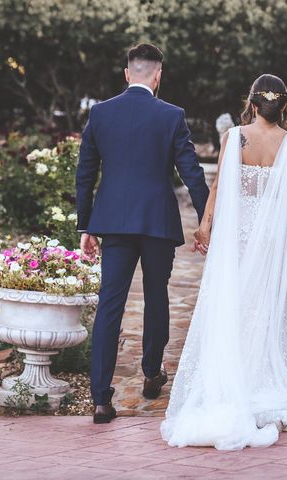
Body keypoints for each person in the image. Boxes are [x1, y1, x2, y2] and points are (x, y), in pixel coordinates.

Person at [161, 74, 287, 450]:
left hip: (237, 234)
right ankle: (261, 382)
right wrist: (276, 212)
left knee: (230, 302)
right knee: (263, 304)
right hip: (271, 240)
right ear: (283, 105)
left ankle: (227, 382)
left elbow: (218, 187)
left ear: (251, 102)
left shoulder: (234, 138)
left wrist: (204, 227)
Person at [75, 43, 209, 424]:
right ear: (158, 75)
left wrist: (86, 225)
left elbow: (85, 173)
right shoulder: (171, 115)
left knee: (109, 305)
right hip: (156, 224)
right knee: (156, 296)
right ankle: (152, 373)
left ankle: (101, 398)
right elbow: (192, 173)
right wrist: (206, 223)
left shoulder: (100, 113)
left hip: (113, 224)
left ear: (127, 73)